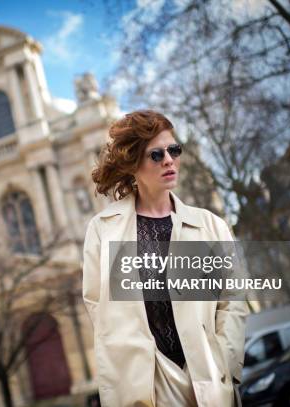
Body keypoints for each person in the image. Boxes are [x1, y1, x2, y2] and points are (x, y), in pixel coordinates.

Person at [82, 110, 248, 407]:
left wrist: (226, 364)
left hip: (208, 379)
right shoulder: (102, 229)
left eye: (174, 150)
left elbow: (233, 301)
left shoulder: (210, 225)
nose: (169, 160)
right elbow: (98, 308)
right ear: (133, 164)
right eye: (156, 155)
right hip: (144, 385)